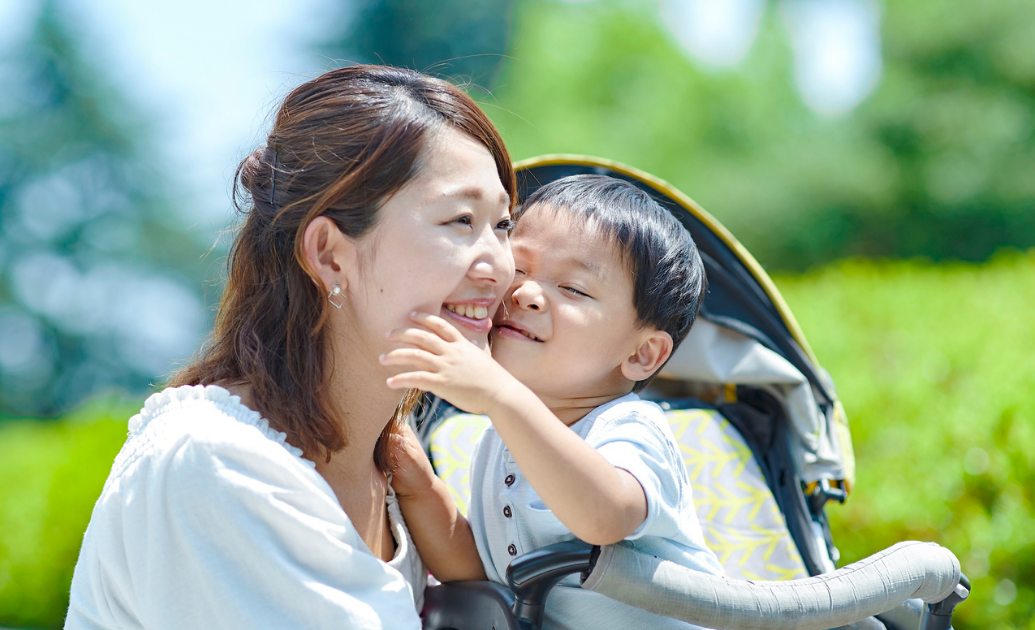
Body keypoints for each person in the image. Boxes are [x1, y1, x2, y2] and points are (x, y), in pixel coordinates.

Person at [64, 64, 517, 629]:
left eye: (502, 225)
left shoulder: (400, 479)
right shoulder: (217, 463)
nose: (502, 267)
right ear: (329, 254)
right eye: (459, 220)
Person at [385, 174, 724, 629]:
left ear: (642, 353)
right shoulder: (498, 442)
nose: (524, 293)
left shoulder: (629, 427)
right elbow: (480, 579)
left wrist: (498, 395)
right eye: (518, 270)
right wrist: (420, 488)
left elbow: (605, 516)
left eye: (573, 289)